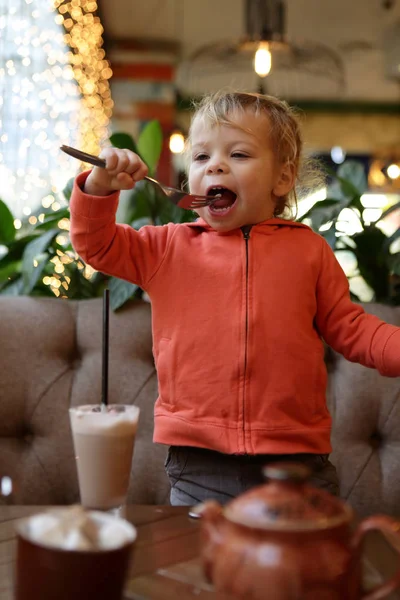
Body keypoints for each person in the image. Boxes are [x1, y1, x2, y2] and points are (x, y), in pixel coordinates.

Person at [69, 90, 400, 506]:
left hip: (297, 461)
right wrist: (99, 187)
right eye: (201, 157)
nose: (216, 165)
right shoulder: (166, 247)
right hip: (199, 462)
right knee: (199, 566)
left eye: (239, 155)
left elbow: (352, 328)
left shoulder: (309, 250)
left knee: (302, 568)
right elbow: (95, 245)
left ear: (282, 178)